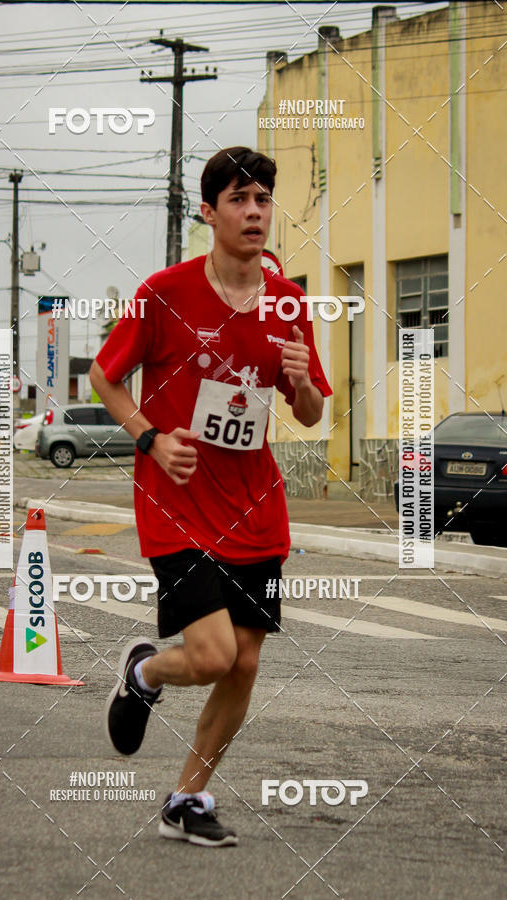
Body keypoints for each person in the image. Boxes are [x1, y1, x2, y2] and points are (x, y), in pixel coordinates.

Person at [89, 146, 332, 847]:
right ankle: (145, 670)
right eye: (238, 200)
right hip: (178, 500)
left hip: (255, 507)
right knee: (213, 654)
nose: (254, 212)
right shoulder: (164, 292)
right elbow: (107, 378)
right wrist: (149, 437)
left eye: (262, 199)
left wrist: (304, 381)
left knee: (245, 661)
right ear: (209, 211)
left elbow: (311, 413)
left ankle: (186, 799)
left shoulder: (287, 301)